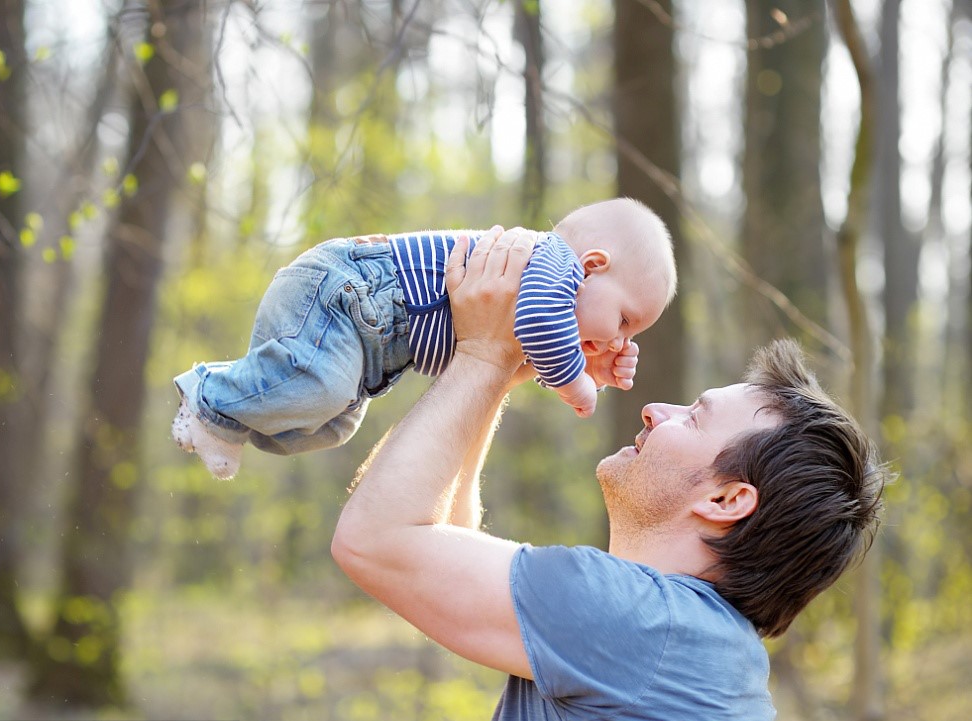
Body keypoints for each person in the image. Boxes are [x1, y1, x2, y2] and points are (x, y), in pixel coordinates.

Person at [331, 227, 886, 720]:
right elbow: (444, 556)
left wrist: (482, 354)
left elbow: (375, 541)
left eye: (693, 418)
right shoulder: (683, 639)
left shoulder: (639, 623)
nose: (654, 410)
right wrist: (503, 365)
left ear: (726, 500)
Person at [172, 198, 676, 478]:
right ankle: (212, 395)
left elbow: (526, 351)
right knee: (318, 388)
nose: (620, 339)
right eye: (626, 320)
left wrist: (591, 368)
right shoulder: (553, 261)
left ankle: (230, 417)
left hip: (370, 344)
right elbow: (543, 331)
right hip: (348, 292)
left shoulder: (544, 301)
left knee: (331, 424)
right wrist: (579, 386)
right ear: (593, 267)